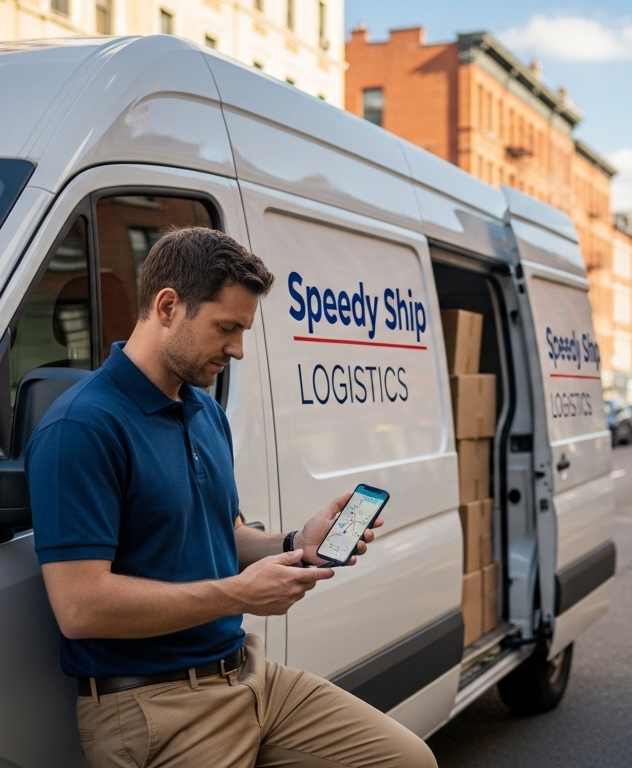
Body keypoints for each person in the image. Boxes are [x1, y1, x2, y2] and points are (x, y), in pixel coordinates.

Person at [26, 228, 437, 768]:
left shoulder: (205, 411)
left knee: (408, 761)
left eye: (243, 330)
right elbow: (81, 608)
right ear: (167, 306)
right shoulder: (82, 428)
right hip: (156, 704)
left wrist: (296, 542)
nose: (238, 349)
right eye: (226, 328)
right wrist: (238, 596)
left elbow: (227, 531)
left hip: (248, 674)